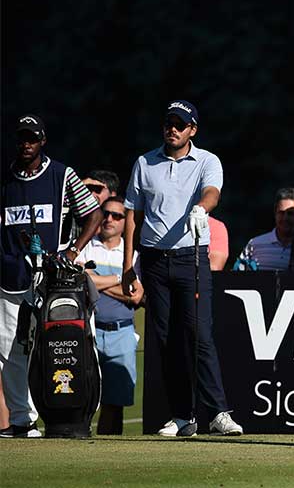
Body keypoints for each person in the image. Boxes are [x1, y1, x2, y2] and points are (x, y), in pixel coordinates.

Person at [122, 100, 242, 436]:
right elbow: (133, 214)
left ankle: (218, 412)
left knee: (199, 334)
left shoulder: (206, 160)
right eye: (168, 123)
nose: (172, 129)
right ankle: (182, 415)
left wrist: (201, 208)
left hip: (191, 258)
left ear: (192, 130)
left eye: (180, 124)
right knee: (165, 340)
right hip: (154, 260)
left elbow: (212, 191)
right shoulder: (145, 162)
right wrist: (128, 266)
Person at [0, 114, 103, 438]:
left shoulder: (62, 174)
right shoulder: (6, 178)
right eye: (22, 138)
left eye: (32, 138)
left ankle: (78, 411)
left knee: (72, 340)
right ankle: (22, 420)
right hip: (11, 274)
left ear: (42, 141)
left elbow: (94, 213)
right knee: (10, 349)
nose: (26, 144)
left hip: (55, 277)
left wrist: (72, 252)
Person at [75, 197, 144, 434]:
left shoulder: (133, 256)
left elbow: (136, 297)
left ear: (126, 222)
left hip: (121, 332)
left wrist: (96, 280)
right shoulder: (85, 246)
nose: (109, 219)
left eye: (117, 216)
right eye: (105, 214)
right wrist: (118, 279)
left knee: (115, 403)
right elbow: (80, 282)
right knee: (81, 397)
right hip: (88, 331)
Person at [236, 188, 294, 271]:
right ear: (275, 213)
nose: (285, 218)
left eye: (291, 213)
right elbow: (238, 278)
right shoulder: (254, 245)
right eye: (281, 212)